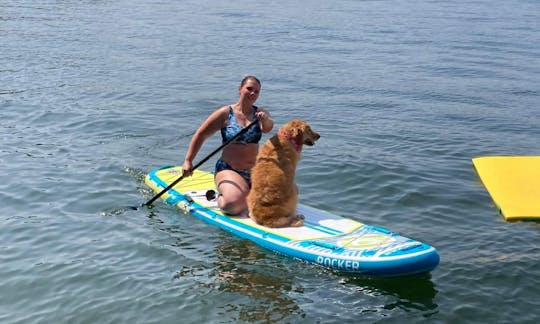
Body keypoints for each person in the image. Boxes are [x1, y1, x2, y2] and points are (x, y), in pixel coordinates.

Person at [182, 76, 274, 215]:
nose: (252, 93)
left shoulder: (260, 114)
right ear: (240, 89)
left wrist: (265, 119)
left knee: (283, 196)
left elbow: (268, 128)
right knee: (233, 205)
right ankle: (219, 197)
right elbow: (201, 135)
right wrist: (188, 161)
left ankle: (246, 193)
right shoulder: (225, 113)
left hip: (255, 172)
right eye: (249, 89)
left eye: (256, 91)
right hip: (229, 170)